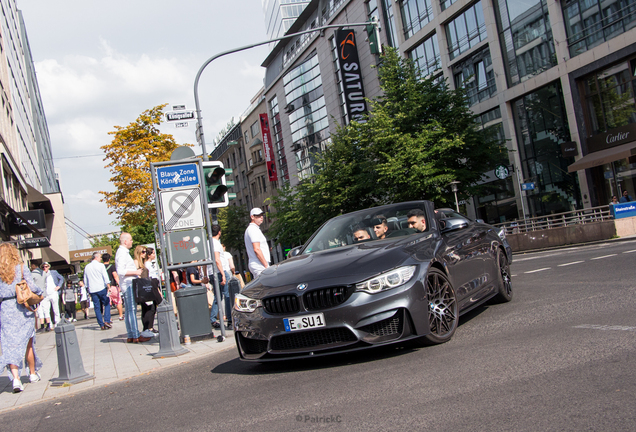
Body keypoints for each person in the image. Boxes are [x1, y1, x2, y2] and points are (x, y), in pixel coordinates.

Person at [0, 243, 45, 393]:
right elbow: (32, 286)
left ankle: (16, 380)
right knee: (28, 342)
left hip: (5, 310)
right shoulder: (21, 268)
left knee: (10, 345)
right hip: (22, 307)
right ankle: (32, 374)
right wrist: (40, 293)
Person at [115, 233, 150, 343]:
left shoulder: (122, 253)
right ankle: (135, 335)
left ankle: (131, 335)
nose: (132, 242)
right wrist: (135, 272)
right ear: (125, 241)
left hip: (127, 283)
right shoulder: (122, 254)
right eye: (130, 240)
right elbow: (120, 271)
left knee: (130, 310)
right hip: (128, 283)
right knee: (132, 309)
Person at [83, 252, 112, 331]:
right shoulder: (101, 265)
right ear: (96, 257)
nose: (101, 259)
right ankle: (107, 320)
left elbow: (85, 279)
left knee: (97, 307)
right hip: (101, 287)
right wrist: (108, 286)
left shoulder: (87, 267)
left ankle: (101, 324)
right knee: (106, 303)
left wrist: (87, 288)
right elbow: (105, 277)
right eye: (100, 257)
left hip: (92, 289)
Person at [209, 225, 229, 329]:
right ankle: (230, 320)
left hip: (211, 273)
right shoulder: (215, 243)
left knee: (218, 296)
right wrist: (223, 275)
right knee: (228, 295)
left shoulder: (207, 243)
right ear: (219, 232)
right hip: (219, 272)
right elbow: (217, 259)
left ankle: (212, 319)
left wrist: (205, 274)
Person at [244, 207, 270, 279]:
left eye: (262, 215)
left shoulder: (253, 229)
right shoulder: (253, 229)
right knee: (266, 287)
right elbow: (257, 249)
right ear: (252, 217)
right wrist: (266, 265)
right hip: (259, 264)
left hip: (258, 263)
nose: (261, 217)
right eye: (258, 216)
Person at [140, 247, 161, 334]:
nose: (154, 255)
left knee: (153, 307)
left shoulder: (149, 264)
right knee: (153, 307)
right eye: (153, 253)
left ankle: (149, 327)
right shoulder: (147, 265)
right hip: (152, 286)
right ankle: (149, 327)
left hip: (154, 285)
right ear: (149, 255)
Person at [40, 262, 64, 330]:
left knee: (56, 309)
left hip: (53, 292)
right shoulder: (41, 274)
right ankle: (49, 324)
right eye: (43, 267)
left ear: (49, 266)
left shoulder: (53, 272)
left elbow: (61, 278)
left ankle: (57, 323)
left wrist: (58, 286)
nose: (45, 268)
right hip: (45, 294)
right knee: (46, 310)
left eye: (46, 266)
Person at [103, 253, 123, 321]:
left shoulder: (101, 267)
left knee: (107, 303)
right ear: (109, 259)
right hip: (113, 287)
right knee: (118, 301)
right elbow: (115, 276)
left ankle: (109, 318)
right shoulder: (111, 266)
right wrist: (119, 284)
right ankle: (120, 315)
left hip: (104, 288)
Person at [30, 263, 48, 332]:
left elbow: (32, 285)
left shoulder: (32, 274)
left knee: (40, 310)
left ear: (33, 266)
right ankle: (49, 325)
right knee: (46, 309)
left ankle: (42, 326)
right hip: (44, 293)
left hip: (37, 295)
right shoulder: (44, 273)